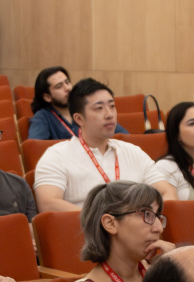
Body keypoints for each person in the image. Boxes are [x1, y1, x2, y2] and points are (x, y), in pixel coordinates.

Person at [34, 79, 166, 212]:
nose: (109, 114)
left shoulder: (133, 152)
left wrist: (146, 216)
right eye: (99, 108)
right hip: (85, 230)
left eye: (112, 106)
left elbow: (166, 192)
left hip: (136, 229)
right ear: (79, 119)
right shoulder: (56, 156)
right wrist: (103, 222)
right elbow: (48, 204)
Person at [27, 66, 80, 140]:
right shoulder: (42, 118)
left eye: (67, 82)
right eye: (59, 86)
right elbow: (35, 147)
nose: (67, 88)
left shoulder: (83, 109)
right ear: (47, 97)